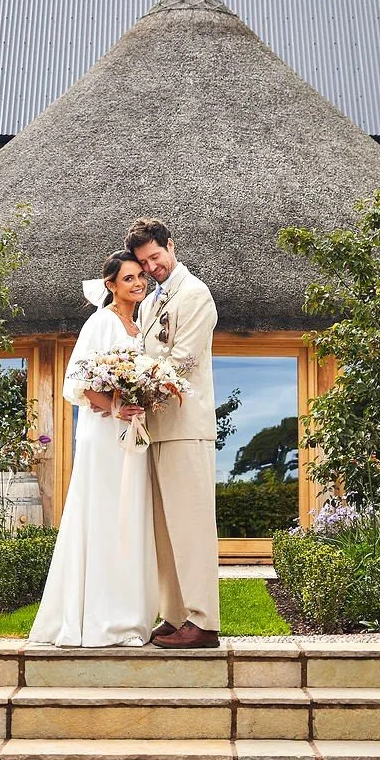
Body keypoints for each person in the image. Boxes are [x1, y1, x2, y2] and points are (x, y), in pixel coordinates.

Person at [27, 251, 159, 646]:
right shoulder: (100, 323)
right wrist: (116, 405)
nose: (139, 284)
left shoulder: (140, 327)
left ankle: (129, 615)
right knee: (104, 515)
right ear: (111, 285)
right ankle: (98, 618)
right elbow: (78, 384)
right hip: (103, 435)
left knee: (129, 516)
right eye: (130, 278)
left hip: (131, 434)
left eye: (141, 277)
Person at [126, 217, 221, 649]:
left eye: (155, 257)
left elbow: (180, 359)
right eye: (144, 263)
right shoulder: (148, 304)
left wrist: (132, 375)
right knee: (164, 529)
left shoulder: (196, 295)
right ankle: (176, 614)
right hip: (155, 427)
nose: (151, 268)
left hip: (186, 426)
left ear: (171, 246)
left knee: (192, 525)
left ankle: (204, 621)